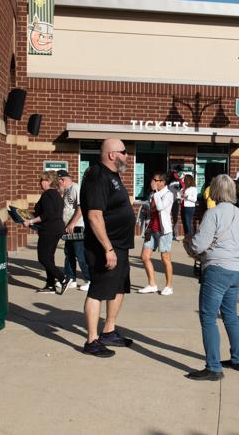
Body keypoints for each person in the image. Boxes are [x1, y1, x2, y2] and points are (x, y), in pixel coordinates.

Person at [184, 174, 239, 381]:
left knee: (208, 317)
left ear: (214, 191)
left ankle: (213, 366)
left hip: (217, 269)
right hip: (237, 269)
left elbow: (199, 245)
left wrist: (189, 243)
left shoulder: (213, 213)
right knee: (230, 315)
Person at [80, 139, 136, 357]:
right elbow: (94, 215)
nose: (127, 156)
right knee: (98, 291)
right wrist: (107, 248)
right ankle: (92, 340)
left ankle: (109, 331)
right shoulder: (97, 176)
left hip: (120, 246)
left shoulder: (113, 176)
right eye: (124, 152)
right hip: (105, 248)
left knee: (119, 288)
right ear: (112, 155)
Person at [24, 171, 69, 295]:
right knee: (49, 257)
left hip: (49, 229)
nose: (40, 183)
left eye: (42, 180)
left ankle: (63, 278)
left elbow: (47, 215)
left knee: (43, 257)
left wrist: (31, 221)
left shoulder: (47, 195)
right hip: (56, 228)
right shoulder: (56, 194)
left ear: (49, 181)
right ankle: (50, 285)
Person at [138, 173, 175, 295]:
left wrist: (155, 193)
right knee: (145, 256)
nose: (152, 182)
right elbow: (152, 209)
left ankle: (169, 286)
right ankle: (152, 284)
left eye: (155, 180)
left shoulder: (168, 194)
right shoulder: (153, 194)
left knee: (165, 258)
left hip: (163, 231)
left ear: (162, 182)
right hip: (151, 229)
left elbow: (160, 207)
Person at [58, 170, 90, 291]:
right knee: (69, 252)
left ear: (63, 180)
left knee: (80, 253)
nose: (58, 184)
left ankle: (89, 279)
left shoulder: (76, 188)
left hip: (77, 226)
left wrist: (72, 223)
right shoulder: (66, 190)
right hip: (68, 227)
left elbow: (81, 207)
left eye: (58, 181)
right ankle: (70, 278)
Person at [168, 170, 184, 241]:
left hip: (171, 201)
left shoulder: (169, 183)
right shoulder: (175, 183)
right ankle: (175, 234)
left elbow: (181, 188)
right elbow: (181, 188)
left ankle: (172, 234)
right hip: (174, 201)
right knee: (175, 218)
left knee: (170, 217)